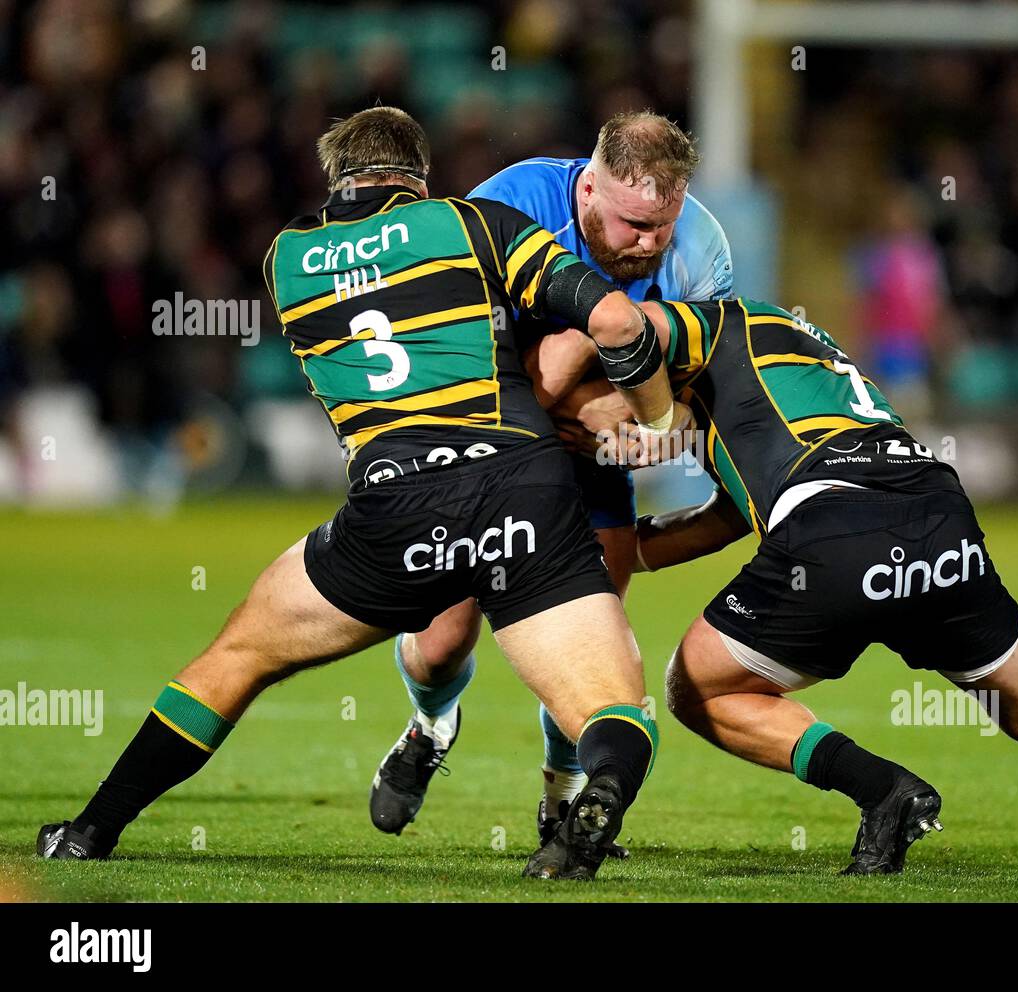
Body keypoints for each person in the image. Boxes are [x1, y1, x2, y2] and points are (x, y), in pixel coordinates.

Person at [37, 106, 682, 882]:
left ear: (337, 175)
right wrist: (657, 423)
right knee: (615, 710)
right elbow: (616, 321)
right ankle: (596, 793)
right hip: (524, 491)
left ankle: (90, 832)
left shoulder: (287, 257)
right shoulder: (475, 223)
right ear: (419, 177)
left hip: (393, 507)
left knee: (235, 659)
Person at [589, 295, 1018, 884]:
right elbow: (720, 521)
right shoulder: (795, 371)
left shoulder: (715, 323)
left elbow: (626, 323)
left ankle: (879, 788)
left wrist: (643, 420)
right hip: (932, 512)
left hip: (835, 525)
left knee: (698, 688)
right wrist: (622, 548)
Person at [368, 112, 734, 853]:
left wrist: (650, 428)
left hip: (587, 463)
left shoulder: (701, 249)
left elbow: (704, 380)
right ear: (590, 186)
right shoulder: (504, 208)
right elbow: (461, 358)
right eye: (633, 224)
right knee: (440, 643)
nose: (650, 243)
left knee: (587, 651)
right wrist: (581, 403)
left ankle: (560, 801)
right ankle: (431, 723)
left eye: (663, 225)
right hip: (486, 440)